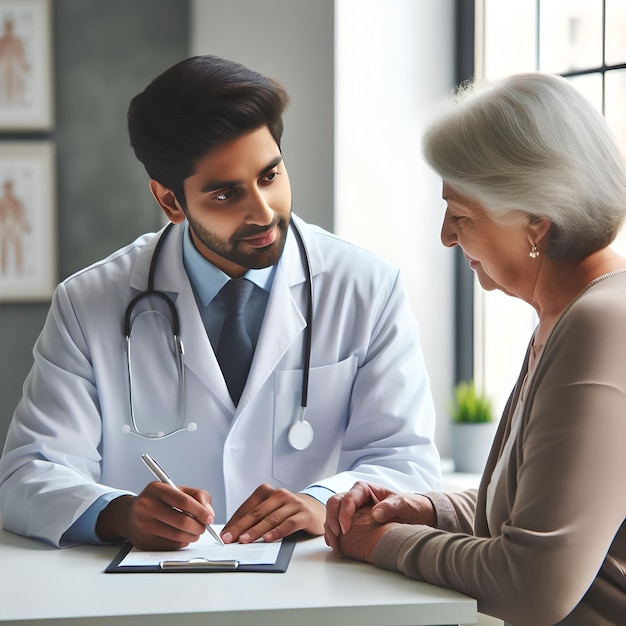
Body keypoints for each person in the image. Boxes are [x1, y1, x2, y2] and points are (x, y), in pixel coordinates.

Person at [0, 55, 441, 550]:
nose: (263, 210)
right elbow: (27, 473)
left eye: (270, 175)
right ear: (170, 202)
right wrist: (119, 513)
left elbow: (408, 462)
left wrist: (322, 499)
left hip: (314, 592)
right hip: (150, 599)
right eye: (227, 195)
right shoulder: (88, 302)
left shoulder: (366, 287)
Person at [324, 72, 626, 626]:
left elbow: (532, 585)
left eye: (462, 215)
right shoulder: (563, 319)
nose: (446, 235)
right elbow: (531, 514)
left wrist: (382, 542)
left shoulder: (602, 326)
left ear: (537, 218)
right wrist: (427, 511)